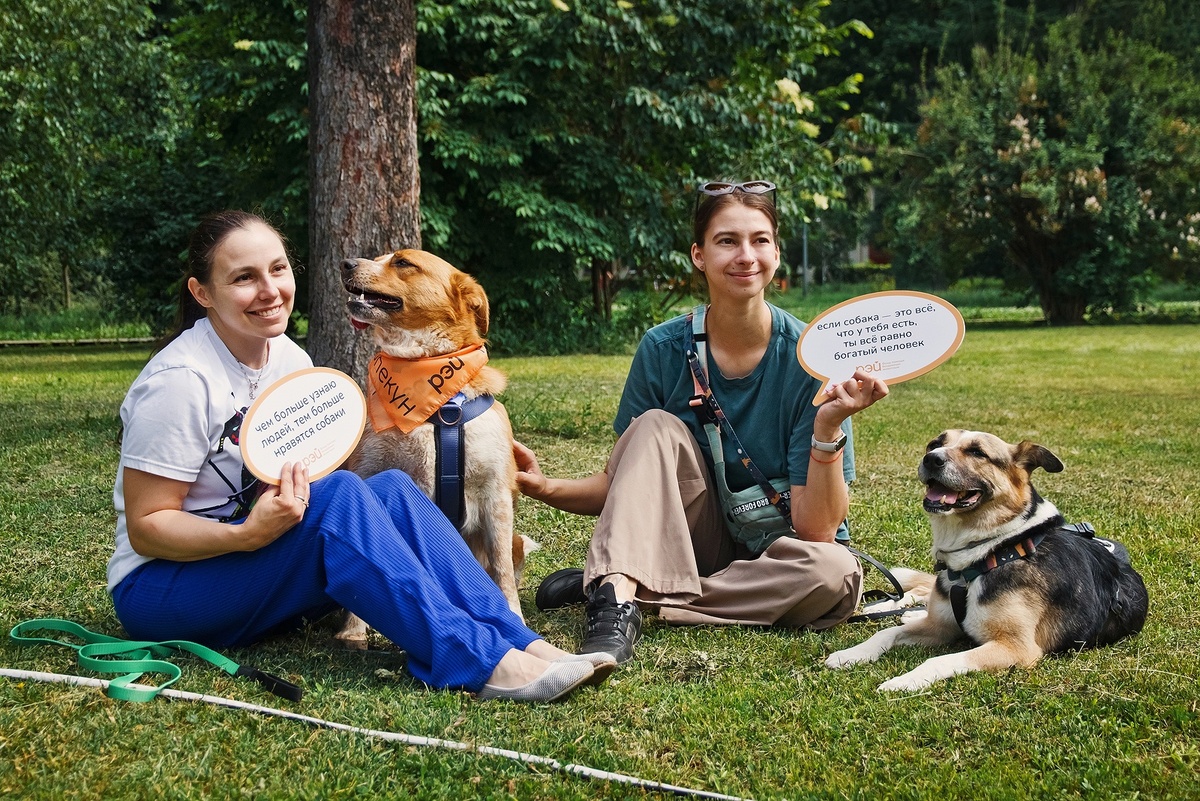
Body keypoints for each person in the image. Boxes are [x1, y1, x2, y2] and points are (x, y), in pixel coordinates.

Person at [108, 210, 614, 702]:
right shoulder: (179, 382)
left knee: (391, 489)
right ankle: (482, 660)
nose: (269, 291)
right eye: (243, 278)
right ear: (202, 293)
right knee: (346, 494)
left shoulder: (288, 358)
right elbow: (148, 526)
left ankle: (522, 641)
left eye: (278, 269)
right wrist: (247, 535)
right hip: (164, 588)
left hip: (258, 560)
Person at [515, 180, 889, 664]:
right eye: (727, 241)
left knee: (833, 571)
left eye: (759, 240)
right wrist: (546, 487)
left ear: (776, 252)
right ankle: (617, 604)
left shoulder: (815, 358)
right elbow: (625, 488)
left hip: (782, 554)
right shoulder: (663, 348)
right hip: (696, 539)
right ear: (699, 254)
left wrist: (828, 428)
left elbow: (816, 530)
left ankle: (632, 591)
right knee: (654, 426)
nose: (745, 256)